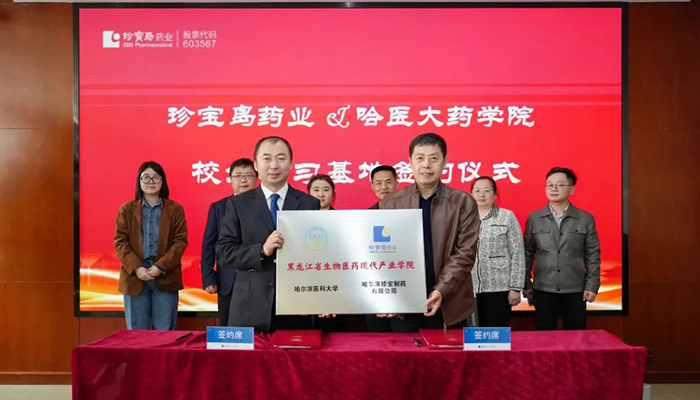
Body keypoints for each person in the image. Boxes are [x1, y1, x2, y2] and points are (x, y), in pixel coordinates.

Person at [216, 136, 320, 332]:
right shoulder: (238, 204)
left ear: (291, 163)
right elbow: (224, 252)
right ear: (256, 165)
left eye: (281, 158)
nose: (274, 165)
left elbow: (318, 253)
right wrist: (261, 251)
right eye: (266, 159)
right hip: (249, 305)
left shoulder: (309, 203)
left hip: (296, 304)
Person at [379, 133, 480, 332]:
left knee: (447, 352)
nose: (426, 165)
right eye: (420, 158)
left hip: (449, 302)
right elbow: (381, 252)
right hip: (403, 303)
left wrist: (441, 289)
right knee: (405, 352)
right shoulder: (391, 203)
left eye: (434, 158)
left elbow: (465, 253)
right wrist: (384, 295)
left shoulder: (463, 202)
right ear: (410, 162)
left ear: (445, 161)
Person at [522, 167, 601, 330]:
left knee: (576, 336)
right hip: (543, 288)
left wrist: (592, 285)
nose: (554, 189)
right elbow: (527, 253)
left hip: (575, 289)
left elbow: (592, 254)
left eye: (559, 185)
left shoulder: (585, 219)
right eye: (549, 185)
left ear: (571, 189)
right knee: (544, 336)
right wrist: (526, 284)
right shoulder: (534, 218)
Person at [115, 161, 188, 330]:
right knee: (136, 334)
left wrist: (160, 267)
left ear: (162, 181)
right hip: (135, 276)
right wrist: (137, 268)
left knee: (164, 332)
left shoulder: (175, 209)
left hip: (165, 276)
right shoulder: (126, 209)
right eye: (146, 177)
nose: (151, 181)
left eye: (156, 177)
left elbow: (180, 242)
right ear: (139, 181)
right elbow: (120, 242)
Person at [201, 158, 257, 326]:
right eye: (238, 175)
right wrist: (208, 277)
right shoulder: (218, 207)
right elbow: (209, 244)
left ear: (257, 178)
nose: (243, 180)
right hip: (228, 280)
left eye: (248, 175)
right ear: (230, 179)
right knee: (228, 327)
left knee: (258, 329)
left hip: (258, 279)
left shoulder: (266, 206)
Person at [470, 176, 525, 327]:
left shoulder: (507, 216)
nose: (481, 195)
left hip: (499, 287)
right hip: (469, 288)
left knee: (496, 333)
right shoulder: (464, 217)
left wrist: (515, 288)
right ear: (471, 194)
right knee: (472, 333)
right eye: (477, 191)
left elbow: (518, 253)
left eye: (487, 191)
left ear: (495, 195)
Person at [365, 165, 398, 332]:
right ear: (372, 186)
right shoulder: (365, 217)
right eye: (378, 183)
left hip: (401, 288)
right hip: (373, 288)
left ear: (396, 183)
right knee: (376, 341)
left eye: (388, 182)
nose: (383, 187)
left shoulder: (409, 213)